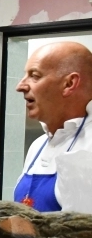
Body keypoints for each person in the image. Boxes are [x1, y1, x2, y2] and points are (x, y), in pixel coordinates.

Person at [14, 41, 92, 211]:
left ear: (69, 84)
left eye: (35, 75)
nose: (20, 86)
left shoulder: (89, 145)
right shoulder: (38, 145)